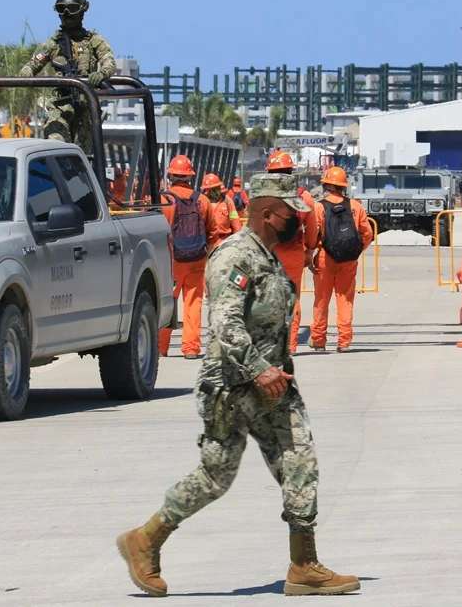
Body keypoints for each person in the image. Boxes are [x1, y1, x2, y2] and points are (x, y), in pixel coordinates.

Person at [117, 173, 359, 598]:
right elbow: (225, 324)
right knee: (216, 476)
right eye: (291, 215)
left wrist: (275, 372)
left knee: (299, 461)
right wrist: (256, 369)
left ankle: (304, 565)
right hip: (232, 386)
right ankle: (146, 538)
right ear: (268, 214)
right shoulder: (234, 257)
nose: (298, 222)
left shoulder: (266, 255)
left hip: (274, 386)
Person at [17, 0, 116, 151]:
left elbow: (109, 61)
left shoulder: (94, 41)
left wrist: (101, 74)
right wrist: (25, 75)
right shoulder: (52, 44)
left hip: (86, 106)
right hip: (60, 106)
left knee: (86, 155)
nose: (66, 14)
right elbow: (31, 65)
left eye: (72, 9)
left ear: (82, 11)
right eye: (62, 9)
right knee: (56, 145)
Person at [157, 155, 217, 360]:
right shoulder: (202, 200)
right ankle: (191, 348)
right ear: (190, 176)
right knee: (194, 302)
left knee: (167, 302)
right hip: (197, 259)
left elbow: (157, 233)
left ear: (171, 175)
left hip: (171, 262)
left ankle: (160, 347)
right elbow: (213, 231)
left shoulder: (164, 200)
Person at [310, 166, 373, 353]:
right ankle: (344, 341)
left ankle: (319, 340)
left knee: (321, 300)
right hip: (349, 261)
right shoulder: (355, 206)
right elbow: (367, 233)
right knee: (345, 299)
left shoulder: (319, 206)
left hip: (325, 258)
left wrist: (311, 253)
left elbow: (313, 235)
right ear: (343, 186)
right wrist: (356, 251)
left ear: (327, 185)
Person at [264, 151, 319, 354]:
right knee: (293, 299)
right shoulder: (303, 197)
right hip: (294, 254)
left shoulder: (263, 196)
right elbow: (312, 229)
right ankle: (291, 345)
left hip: (270, 253)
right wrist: (309, 252)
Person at [201, 173, 241, 251]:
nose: (207, 192)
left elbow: (235, 220)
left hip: (225, 243)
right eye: (206, 190)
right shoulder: (202, 201)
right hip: (207, 244)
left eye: (210, 189)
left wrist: (238, 242)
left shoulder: (227, 201)